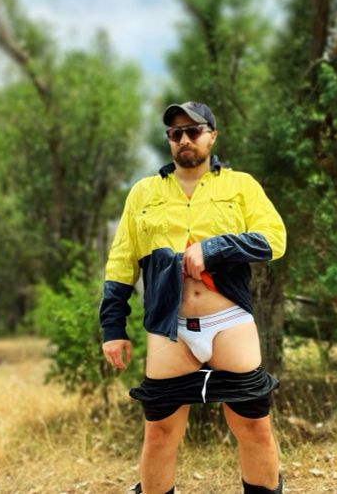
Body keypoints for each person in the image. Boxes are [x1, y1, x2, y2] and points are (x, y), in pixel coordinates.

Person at [99, 102, 286, 494]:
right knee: (160, 432)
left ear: (211, 135)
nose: (184, 139)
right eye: (175, 133)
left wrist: (215, 248)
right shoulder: (144, 192)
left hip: (228, 322)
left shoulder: (240, 186)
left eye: (193, 130)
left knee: (253, 425)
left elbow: (275, 239)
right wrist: (112, 327)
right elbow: (121, 263)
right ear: (169, 141)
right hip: (171, 328)